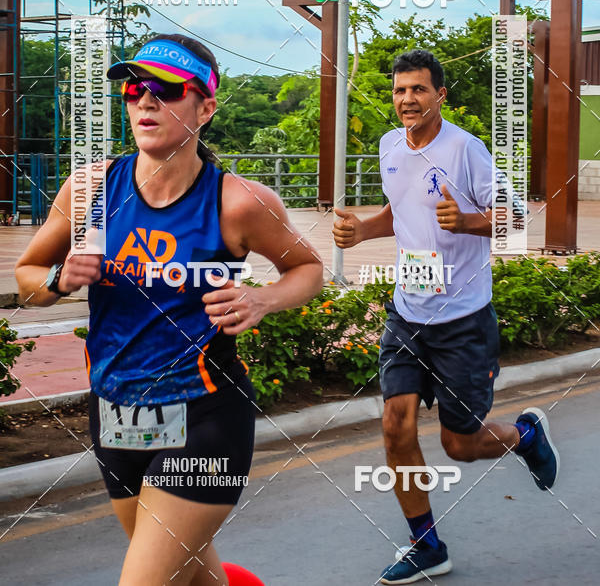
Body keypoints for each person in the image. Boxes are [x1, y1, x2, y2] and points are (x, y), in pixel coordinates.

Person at [15, 32, 324, 586]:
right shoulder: (92, 191)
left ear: (205, 108)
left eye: (166, 89)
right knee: (192, 575)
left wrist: (261, 298)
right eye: (134, 88)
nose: (144, 101)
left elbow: (306, 268)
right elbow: (28, 281)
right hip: (116, 414)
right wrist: (60, 280)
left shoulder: (237, 201)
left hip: (204, 417)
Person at [333, 49, 559, 585]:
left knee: (460, 444)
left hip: (463, 320)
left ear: (440, 95)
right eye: (398, 90)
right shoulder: (391, 146)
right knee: (396, 425)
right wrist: (365, 229)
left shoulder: (466, 151)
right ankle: (425, 544)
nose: (407, 99)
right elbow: (400, 211)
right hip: (408, 314)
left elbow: (517, 221)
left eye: (418, 90)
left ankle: (525, 435)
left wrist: (472, 221)